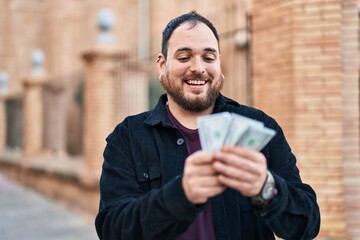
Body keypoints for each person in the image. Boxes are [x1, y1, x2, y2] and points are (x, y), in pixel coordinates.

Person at [95, 11, 320, 240]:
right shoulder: (127, 138)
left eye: (209, 58)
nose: (198, 68)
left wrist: (266, 189)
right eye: (184, 57)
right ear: (162, 65)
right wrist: (180, 195)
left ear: (219, 63)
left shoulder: (260, 125)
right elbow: (112, 229)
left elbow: (307, 226)